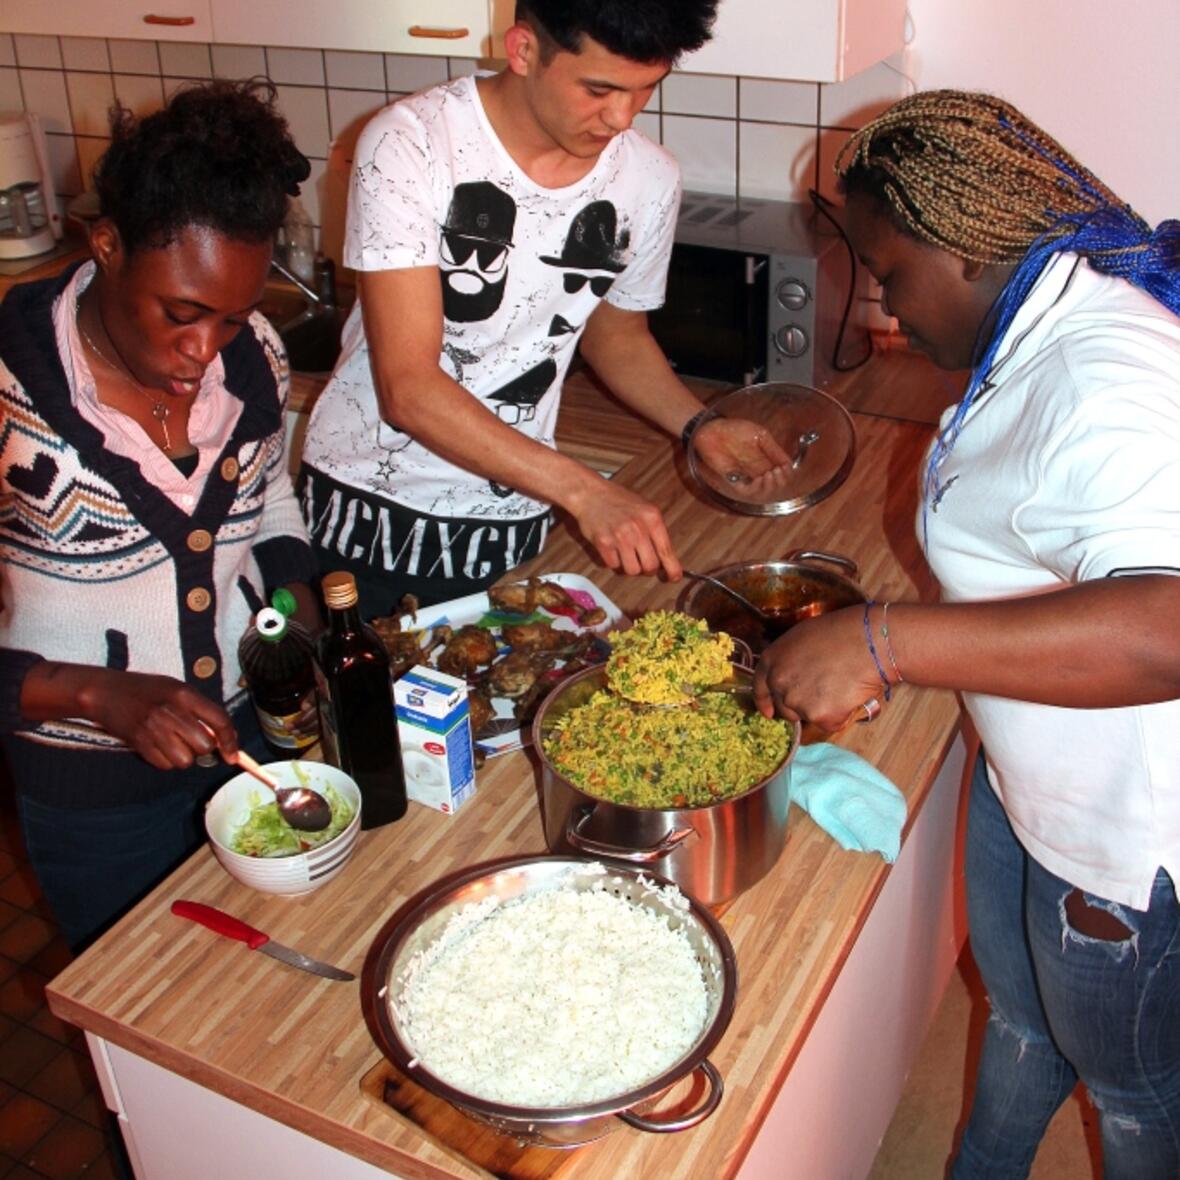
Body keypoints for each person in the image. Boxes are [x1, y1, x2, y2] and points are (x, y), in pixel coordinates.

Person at [754, 90, 1180, 1179]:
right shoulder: (1039, 320)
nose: (884, 306)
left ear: (964, 247)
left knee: (1134, 1100)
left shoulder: (1105, 375)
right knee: (1023, 1024)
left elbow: (1168, 624)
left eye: (891, 274)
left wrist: (889, 642)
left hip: (1120, 849)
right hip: (1026, 781)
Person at [297, 0, 787, 615]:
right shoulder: (411, 142)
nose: (620, 117)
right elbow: (409, 387)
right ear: (523, 51)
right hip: (372, 514)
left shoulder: (648, 178)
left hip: (514, 517)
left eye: (645, 91)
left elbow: (617, 336)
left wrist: (699, 427)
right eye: (599, 89)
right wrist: (586, 493)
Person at [0, 79, 320, 953]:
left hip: (255, 744)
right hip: (92, 795)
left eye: (233, 315)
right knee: (138, 1021)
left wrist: (295, 605)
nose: (203, 350)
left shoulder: (254, 359)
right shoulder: (11, 388)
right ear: (106, 244)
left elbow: (271, 500)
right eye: (181, 314)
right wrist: (97, 693)